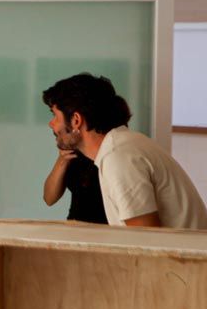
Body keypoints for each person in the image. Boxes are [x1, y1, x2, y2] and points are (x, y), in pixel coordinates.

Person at [43, 73, 207, 229]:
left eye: (55, 116)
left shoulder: (118, 157)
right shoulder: (121, 146)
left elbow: (147, 242)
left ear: (76, 120)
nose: (51, 124)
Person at [42, 147, 107, 224]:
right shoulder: (74, 151)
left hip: (108, 229)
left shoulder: (111, 149)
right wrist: (62, 159)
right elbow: (49, 198)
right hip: (75, 228)